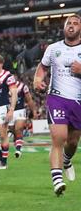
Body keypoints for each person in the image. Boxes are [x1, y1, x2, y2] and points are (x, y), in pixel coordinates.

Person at [33, 14, 81, 196]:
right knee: (58, 138)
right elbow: (43, 67)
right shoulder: (53, 49)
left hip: (78, 101)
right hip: (57, 98)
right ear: (64, 27)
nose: (71, 25)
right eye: (69, 23)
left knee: (73, 142)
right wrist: (37, 79)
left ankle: (67, 160)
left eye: (76, 23)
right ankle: (57, 180)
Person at [10, 79, 37, 158]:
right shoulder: (5, 86)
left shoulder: (22, 86)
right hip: (9, 111)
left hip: (20, 110)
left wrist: (34, 111)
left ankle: (18, 150)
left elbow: (29, 99)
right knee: (13, 130)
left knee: (18, 129)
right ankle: (17, 141)